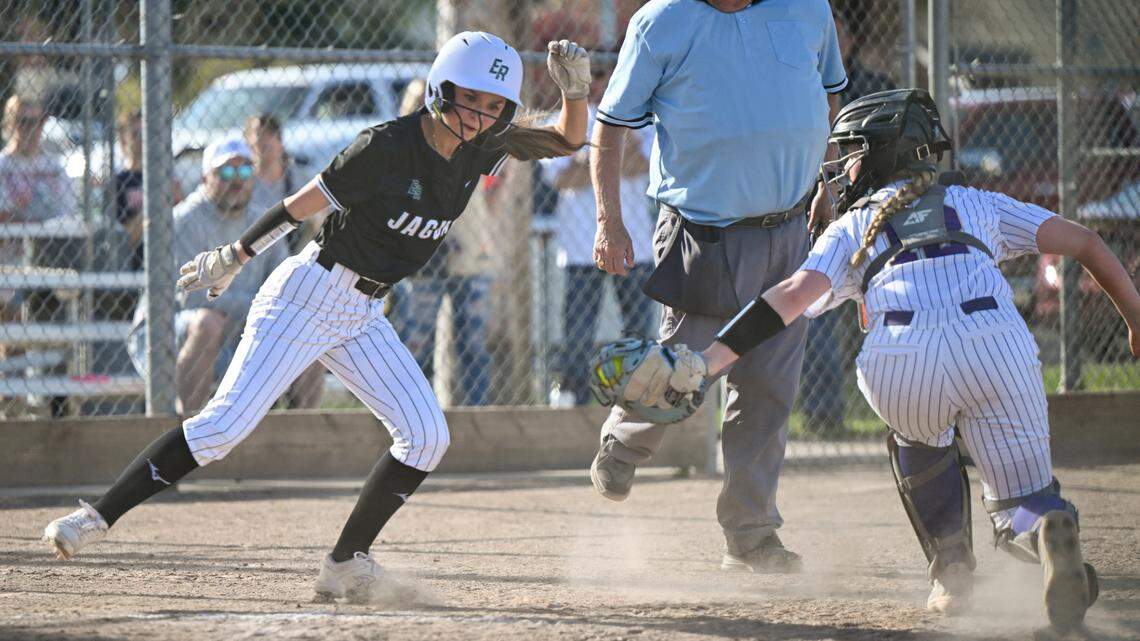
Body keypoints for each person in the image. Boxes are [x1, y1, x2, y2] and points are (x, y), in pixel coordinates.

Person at [43, 32, 590, 603]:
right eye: (468, 98)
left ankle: (344, 564)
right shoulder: (384, 146)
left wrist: (574, 93)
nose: (480, 115)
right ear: (438, 88)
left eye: (493, 105)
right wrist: (234, 256)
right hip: (307, 294)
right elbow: (300, 204)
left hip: (363, 313)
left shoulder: (483, 144)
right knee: (222, 428)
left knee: (427, 437)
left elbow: (568, 136)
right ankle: (96, 518)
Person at [640, 89, 1136, 629]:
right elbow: (1086, 242)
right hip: (998, 343)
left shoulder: (855, 224)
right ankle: (1044, 529)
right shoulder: (976, 202)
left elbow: (791, 296)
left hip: (904, 354)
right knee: (1025, 498)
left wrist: (709, 361)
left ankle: (951, 572)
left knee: (918, 442)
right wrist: (1135, 319)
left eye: (851, 152)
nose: (842, 168)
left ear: (881, 154)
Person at [588, 0, 847, 573]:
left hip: (791, 229)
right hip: (702, 232)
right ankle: (626, 439)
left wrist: (826, 177)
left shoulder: (808, 9)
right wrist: (609, 221)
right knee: (682, 369)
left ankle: (752, 537)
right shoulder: (661, 22)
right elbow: (610, 126)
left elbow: (829, 94)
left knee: (768, 390)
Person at [126, 137, 288, 415]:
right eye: (225, 172)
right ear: (205, 178)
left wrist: (266, 310)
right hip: (166, 338)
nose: (237, 180)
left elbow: (286, 287)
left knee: (309, 325)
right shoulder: (183, 220)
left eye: (245, 171)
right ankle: (185, 432)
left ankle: (301, 433)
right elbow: (195, 298)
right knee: (207, 323)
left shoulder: (265, 222)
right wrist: (259, 307)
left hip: (240, 336)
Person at [798, 9, 899, 436]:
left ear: (852, 42)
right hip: (816, 210)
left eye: (840, 34)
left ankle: (898, 405)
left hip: (869, 215)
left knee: (880, 305)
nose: (833, 42)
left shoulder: (874, 88)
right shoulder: (801, 82)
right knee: (816, 312)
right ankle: (825, 416)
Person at [541, 64, 656, 406]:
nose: (606, 86)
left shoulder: (642, 121)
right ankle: (574, 395)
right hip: (580, 248)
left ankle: (637, 393)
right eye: (602, 78)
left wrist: (590, 160)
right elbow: (559, 179)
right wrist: (612, 159)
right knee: (578, 331)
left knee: (637, 326)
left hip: (635, 245)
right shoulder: (566, 120)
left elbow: (645, 165)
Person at [389, 79, 496, 406]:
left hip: (470, 251)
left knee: (473, 344)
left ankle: (476, 416)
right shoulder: (402, 150)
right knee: (416, 341)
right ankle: (411, 411)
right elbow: (408, 198)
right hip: (422, 256)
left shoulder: (467, 139)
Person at [244, 113, 326, 409]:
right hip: (258, 276)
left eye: (268, 137)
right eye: (255, 139)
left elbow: (321, 220)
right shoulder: (245, 183)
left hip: (298, 274)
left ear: (280, 142)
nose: (261, 144)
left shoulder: (297, 179)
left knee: (314, 339)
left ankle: (304, 418)